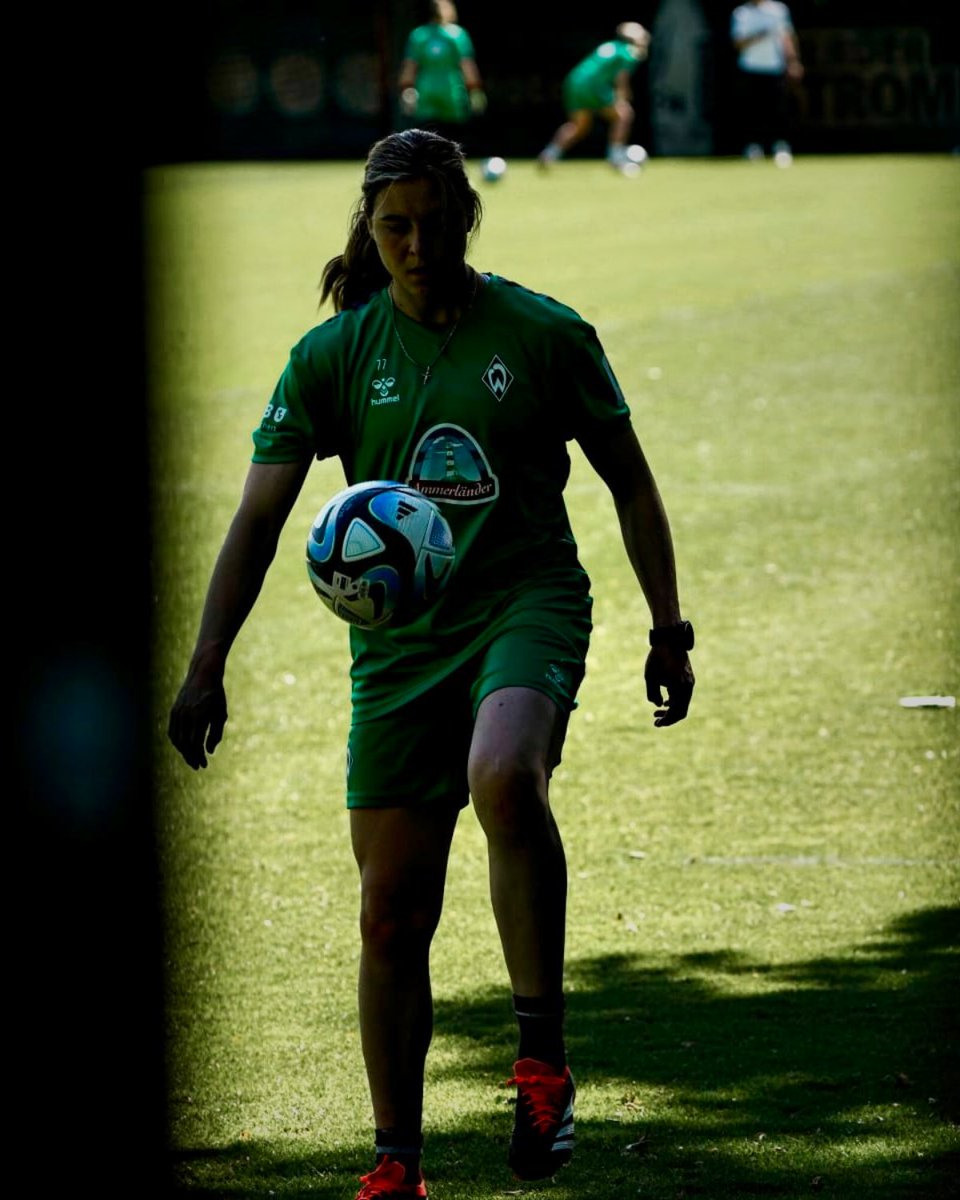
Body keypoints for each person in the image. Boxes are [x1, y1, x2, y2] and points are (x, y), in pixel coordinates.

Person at [167, 127, 695, 1200]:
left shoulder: (544, 334)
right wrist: (204, 662)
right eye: (392, 225)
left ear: (466, 217)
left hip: (525, 601)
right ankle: (395, 1167)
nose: (413, 242)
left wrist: (668, 626)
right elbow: (259, 519)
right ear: (370, 231)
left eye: (431, 220)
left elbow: (630, 482)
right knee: (391, 914)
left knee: (503, 773)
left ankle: (540, 1061)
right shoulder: (333, 357)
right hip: (399, 650)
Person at [537, 21, 651, 175]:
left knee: (579, 125)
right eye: (639, 32)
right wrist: (623, 96)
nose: (643, 35)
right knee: (624, 115)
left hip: (574, 82)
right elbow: (621, 77)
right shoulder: (627, 51)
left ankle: (549, 154)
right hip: (593, 86)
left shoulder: (611, 46)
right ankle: (616, 158)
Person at [398, 1, 486, 146]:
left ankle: (428, 164)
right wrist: (475, 90)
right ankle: (450, 163)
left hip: (426, 91)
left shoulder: (418, 35)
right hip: (451, 91)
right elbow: (467, 66)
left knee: (427, 133)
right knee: (452, 135)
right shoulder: (457, 34)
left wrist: (406, 89)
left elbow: (410, 67)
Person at [730, 0, 804, 165]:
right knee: (752, 111)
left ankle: (781, 147)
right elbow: (738, 43)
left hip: (774, 68)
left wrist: (793, 62)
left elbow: (787, 38)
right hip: (750, 68)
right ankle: (753, 148)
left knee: (778, 110)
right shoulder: (741, 13)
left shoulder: (779, 10)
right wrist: (760, 35)